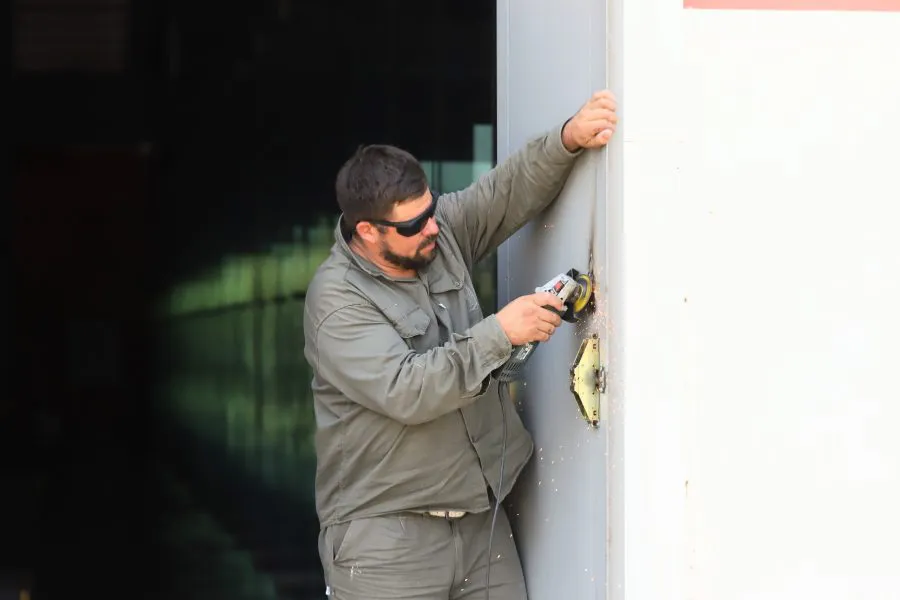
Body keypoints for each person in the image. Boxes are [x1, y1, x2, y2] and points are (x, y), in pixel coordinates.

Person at [303, 90, 618, 599]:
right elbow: (407, 390)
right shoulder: (338, 301)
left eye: (430, 210)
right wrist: (501, 333)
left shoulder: (436, 235)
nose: (432, 227)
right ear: (366, 230)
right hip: (387, 543)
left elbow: (503, 193)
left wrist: (567, 139)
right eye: (413, 225)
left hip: (480, 527)